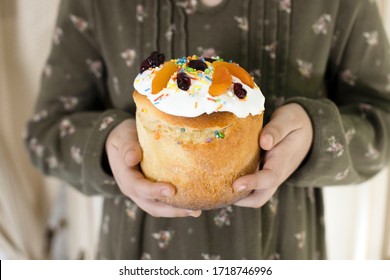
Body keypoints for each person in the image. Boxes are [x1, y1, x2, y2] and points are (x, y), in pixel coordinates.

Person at [25, 0, 390, 259]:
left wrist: (314, 133)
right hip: (139, 259)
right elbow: (45, 133)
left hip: (282, 254)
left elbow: (382, 121)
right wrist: (109, 145)